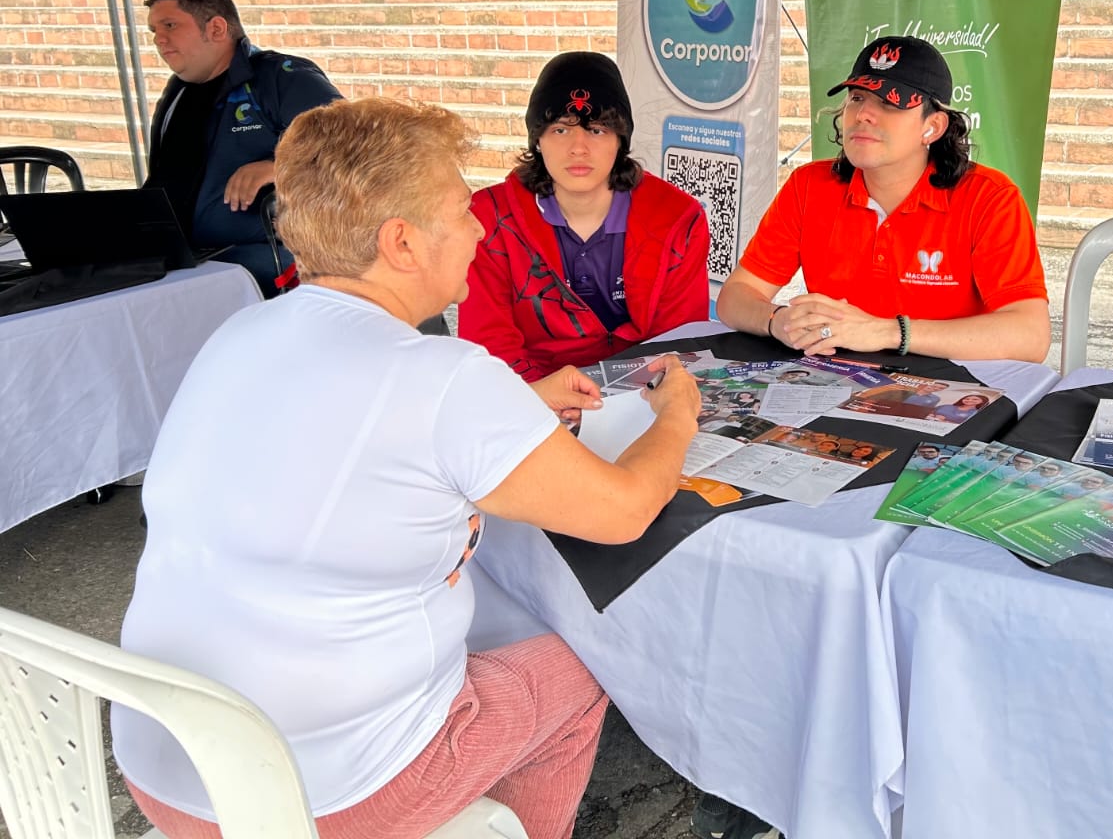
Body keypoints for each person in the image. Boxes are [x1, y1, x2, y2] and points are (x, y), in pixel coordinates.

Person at [111, 97, 702, 839]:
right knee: (583, 667)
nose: (481, 227)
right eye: (460, 210)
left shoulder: (245, 328)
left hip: (165, 766)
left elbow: (358, 429)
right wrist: (675, 417)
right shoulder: (445, 376)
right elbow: (622, 512)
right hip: (319, 796)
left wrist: (516, 403)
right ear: (402, 242)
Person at [717, 35, 1050, 363]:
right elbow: (735, 297)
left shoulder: (989, 198)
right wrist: (776, 321)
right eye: (857, 98)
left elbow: (1031, 336)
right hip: (832, 382)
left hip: (950, 393)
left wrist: (889, 332)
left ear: (932, 127)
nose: (863, 115)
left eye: (889, 103)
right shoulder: (808, 185)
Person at [461, 51, 710, 380]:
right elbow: (489, 345)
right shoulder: (487, 219)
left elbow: (678, 343)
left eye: (597, 130)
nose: (579, 147)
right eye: (561, 130)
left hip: (643, 392)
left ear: (620, 141)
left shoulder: (678, 218)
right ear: (538, 140)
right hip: (530, 395)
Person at [143, 0, 341, 294]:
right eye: (154, 31)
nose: (159, 40)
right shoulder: (177, 92)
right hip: (182, 261)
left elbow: (358, 152)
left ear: (217, 29)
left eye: (170, 25)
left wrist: (278, 167)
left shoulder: (282, 77)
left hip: (270, 262)